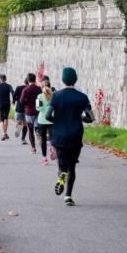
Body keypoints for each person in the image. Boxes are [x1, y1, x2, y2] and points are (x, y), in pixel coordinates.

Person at [46, 67, 94, 206]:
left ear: (63, 79)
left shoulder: (56, 96)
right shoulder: (82, 97)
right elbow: (91, 117)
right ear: (75, 79)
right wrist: (81, 119)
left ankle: (61, 174)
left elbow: (48, 115)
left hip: (59, 135)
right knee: (72, 166)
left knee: (62, 164)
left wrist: (57, 121)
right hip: (75, 135)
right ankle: (68, 196)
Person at [20, 73, 41, 153]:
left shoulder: (25, 90)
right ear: (35, 79)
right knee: (36, 127)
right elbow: (40, 99)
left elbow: (21, 101)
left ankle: (33, 148)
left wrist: (26, 104)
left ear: (28, 80)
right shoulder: (38, 89)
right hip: (37, 111)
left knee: (30, 130)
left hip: (28, 111)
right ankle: (38, 132)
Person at [36, 80, 55, 165]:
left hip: (42, 120)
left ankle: (44, 158)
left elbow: (38, 108)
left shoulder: (39, 96)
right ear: (50, 86)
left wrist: (44, 109)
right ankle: (52, 147)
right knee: (52, 137)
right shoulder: (54, 95)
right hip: (51, 119)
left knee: (43, 139)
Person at [0, 75, 13, 141]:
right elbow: (13, 92)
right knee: (6, 118)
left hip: (0, 104)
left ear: (0, 79)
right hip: (7, 103)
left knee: (1, 119)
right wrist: (13, 100)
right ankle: (5, 133)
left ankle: (3, 134)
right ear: (6, 79)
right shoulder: (9, 86)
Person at [13, 79, 28, 143]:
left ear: (24, 82)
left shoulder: (18, 87)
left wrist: (15, 100)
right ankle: (23, 138)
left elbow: (14, 96)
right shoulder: (29, 89)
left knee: (18, 122)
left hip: (19, 107)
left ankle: (18, 129)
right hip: (26, 109)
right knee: (25, 124)